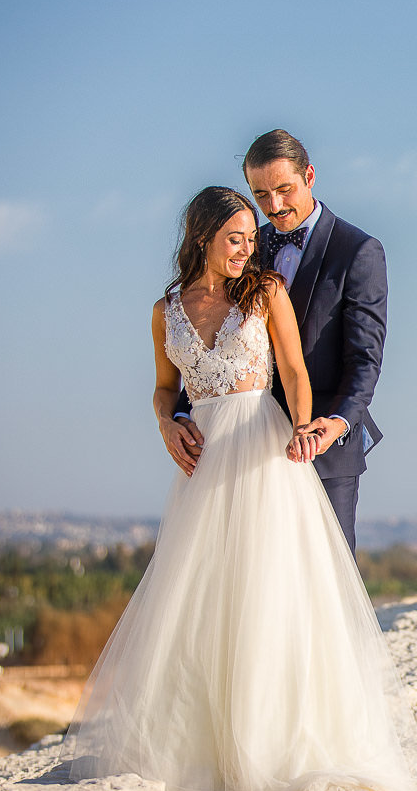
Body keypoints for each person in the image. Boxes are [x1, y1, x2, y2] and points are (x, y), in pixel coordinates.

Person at [62, 186, 417, 791]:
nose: (247, 250)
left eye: (251, 239)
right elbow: (162, 387)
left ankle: (273, 745)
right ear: (202, 237)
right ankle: (201, 750)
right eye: (236, 238)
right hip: (202, 467)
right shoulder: (166, 309)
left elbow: (294, 371)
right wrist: (167, 422)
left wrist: (303, 428)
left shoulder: (265, 294)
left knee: (268, 595)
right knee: (202, 600)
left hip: (263, 454)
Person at [161, 129, 387, 556]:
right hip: (236, 453)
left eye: (284, 190)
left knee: (323, 582)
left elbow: (365, 360)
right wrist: (172, 418)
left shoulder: (358, 251)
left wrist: (335, 424)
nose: (274, 207)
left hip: (321, 447)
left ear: (310, 176)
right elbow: (210, 344)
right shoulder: (245, 244)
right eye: (260, 195)